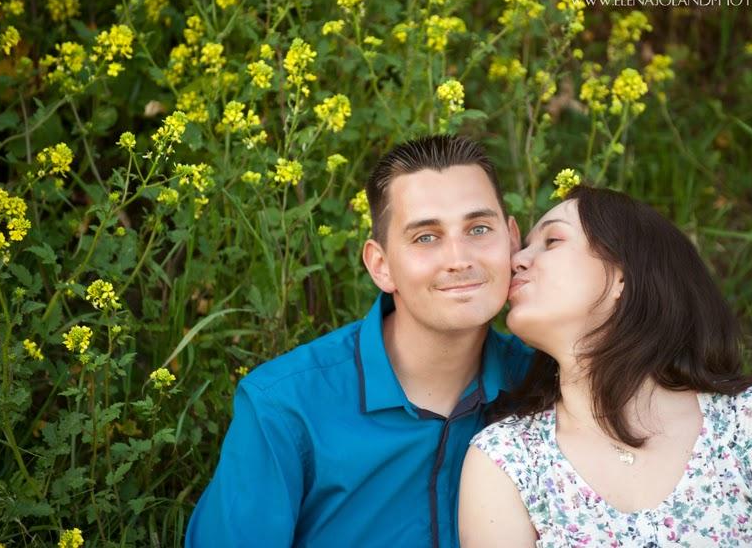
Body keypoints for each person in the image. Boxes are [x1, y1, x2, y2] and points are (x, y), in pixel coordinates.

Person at [186, 135, 531, 547]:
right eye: (426, 237)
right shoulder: (285, 408)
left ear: (512, 240)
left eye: (478, 228)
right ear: (381, 266)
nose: (459, 258)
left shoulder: (546, 384)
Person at [458, 185, 752, 547]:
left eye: (552, 241)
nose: (517, 260)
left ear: (623, 274)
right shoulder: (506, 458)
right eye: (525, 247)